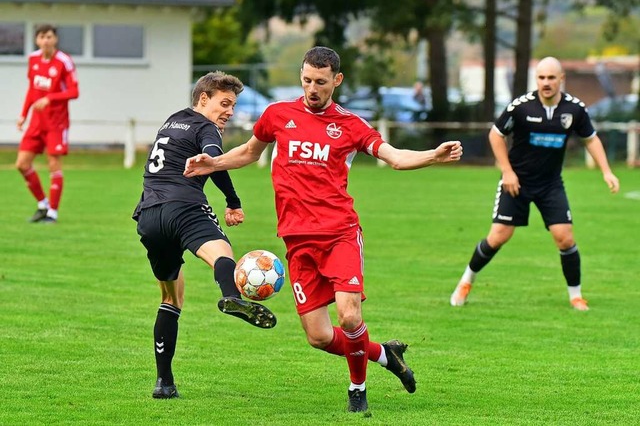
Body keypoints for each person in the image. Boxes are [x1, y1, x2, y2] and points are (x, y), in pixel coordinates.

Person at [183, 46, 463, 413]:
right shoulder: (278, 114)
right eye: (306, 81)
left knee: (349, 316)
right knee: (318, 336)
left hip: (339, 234)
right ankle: (386, 355)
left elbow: (394, 156)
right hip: (297, 241)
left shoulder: (350, 125)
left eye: (320, 82)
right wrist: (213, 162)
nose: (312, 88)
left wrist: (432, 155)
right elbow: (251, 151)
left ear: (336, 80)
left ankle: (357, 391)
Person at [132, 71, 277, 399]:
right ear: (203, 99)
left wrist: (228, 193)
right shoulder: (206, 126)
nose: (229, 111)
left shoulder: (173, 121)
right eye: (224, 103)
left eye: (233, 106)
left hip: (149, 215)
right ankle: (232, 295)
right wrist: (232, 199)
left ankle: (163, 383)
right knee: (222, 252)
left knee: (170, 299)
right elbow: (214, 154)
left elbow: (213, 163)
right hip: (184, 206)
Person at [449, 56, 620, 311]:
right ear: (536, 80)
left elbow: (591, 139)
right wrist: (507, 171)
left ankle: (576, 296)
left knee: (565, 238)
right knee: (498, 237)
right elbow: (496, 135)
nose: (546, 82)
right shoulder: (521, 107)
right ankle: (466, 281)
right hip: (516, 182)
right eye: (541, 77)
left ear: (561, 79)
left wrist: (606, 171)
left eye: (551, 77)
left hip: (550, 184)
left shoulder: (574, 109)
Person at [15, 24, 79, 224]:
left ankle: (53, 213)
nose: (46, 40)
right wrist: (23, 114)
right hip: (37, 122)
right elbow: (32, 90)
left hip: (56, 123)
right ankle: (43, 204)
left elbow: (74, 92)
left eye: (49, 36)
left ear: (55, 39)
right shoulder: (33, 59)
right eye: (42, 37)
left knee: (53, 164)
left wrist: (50, 98)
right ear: (37, 40)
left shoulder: (64, 61)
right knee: (22, 164)